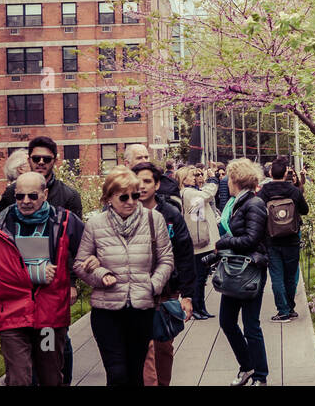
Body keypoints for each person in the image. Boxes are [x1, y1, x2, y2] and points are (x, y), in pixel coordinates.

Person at [0, 171, 84, 386]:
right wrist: (35, 273)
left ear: (45, 194)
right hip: (13, 319)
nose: (25, 201)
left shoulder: (66, 221)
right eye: (19, 196)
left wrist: (75, 280)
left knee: (50, 376)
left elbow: (87, 254)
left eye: (32, 196)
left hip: (50, 320)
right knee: (19, 378)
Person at [73, 166, 173, 386]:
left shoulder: (153, 219)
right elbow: (80, 264)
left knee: (136, 374)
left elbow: (166, 259)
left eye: (135, 196)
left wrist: (153, 285)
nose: (130, 201)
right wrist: (101, 274)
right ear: (109, 198)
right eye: (123, 197)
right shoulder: (96, 224)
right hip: (107, 311)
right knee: (117, 373)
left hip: (141, 309)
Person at [132, 161, 195, 385]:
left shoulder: (170, 214)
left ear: (157, 185)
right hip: (133, 293)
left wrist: (188, 295)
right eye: (137, 181)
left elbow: (185, 253)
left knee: (163, 347)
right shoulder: (123, 212)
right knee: (141, 349)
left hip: (166, 292)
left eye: (147, 181)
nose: (141, 186)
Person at [215, 157, 269, 386]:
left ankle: (260, 376)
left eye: (228, 177)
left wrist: (225, 241)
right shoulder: (239, 203)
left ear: (235, 179)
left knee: (251, 325)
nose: (226, 181)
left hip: (250, 271)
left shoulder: (253, 204)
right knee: (227, 321)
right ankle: (247, 366)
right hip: (236, 270)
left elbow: (251, 239)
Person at [258, 159, 309, 322]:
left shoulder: (264, 192)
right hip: (292, 238)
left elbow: (258, 212)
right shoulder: (293, 191)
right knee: (290, 275)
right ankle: (291, 307)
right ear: (286, 173)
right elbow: (305, 210)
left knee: (277, 276)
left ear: (270, 173)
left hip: (272, 240)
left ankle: (283, 311)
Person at [0, 136, 83, 218]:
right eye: (36, 158)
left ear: (55, 161)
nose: (41, 162)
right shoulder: (12, 191)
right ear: (29, 160)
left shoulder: (69, 196)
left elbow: (75, 231)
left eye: (46, 159)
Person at [178, 166, 217, 319]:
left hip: (199, 241)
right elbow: (208, 194)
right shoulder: (188, 193)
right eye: (191, 175)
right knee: (199, 278)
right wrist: (213, 179)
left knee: (201, 277)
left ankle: (200, 308)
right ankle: (197, 308)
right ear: (183, 179)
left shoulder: (190, 192)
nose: (194, 177)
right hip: (198, 243)